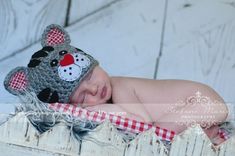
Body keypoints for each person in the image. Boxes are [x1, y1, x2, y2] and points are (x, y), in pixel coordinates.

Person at [4, 24, 229, 145]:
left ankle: (206, 135)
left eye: (90, 75)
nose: (94, 89)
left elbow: (143, 124)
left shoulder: (120, 85)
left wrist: (97, 108)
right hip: (200, 112)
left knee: (159, 137)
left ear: (95, 64)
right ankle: (207, 135)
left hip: (204, 104)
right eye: (83, 97)